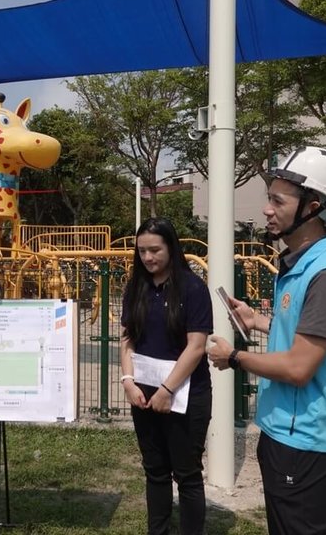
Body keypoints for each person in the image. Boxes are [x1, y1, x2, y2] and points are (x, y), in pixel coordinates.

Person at [207, 146, 326, 535]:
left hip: (307, 443)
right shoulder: (299, 265)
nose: (267, 210)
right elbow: (302, 332)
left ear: (312, 207)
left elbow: (298, 367)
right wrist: (256, 320)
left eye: (278, 200)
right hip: (287, 435)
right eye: (268, 198)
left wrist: (234, 358)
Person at [120, 217, 213, 535]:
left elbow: (196, 346)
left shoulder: (193, 288)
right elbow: (127, 340)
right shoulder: (136, 287)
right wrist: (129, 381)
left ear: (171, 247)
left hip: (186, 395)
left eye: (155, 250)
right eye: (142, 251)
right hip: (143, 396)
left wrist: (166, 389)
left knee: (187, 474)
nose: (148, 258)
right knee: (155, 471)